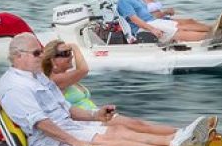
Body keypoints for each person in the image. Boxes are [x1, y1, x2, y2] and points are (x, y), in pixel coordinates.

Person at [0, 32, 213, 146]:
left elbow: (66, 109)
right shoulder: (15, 86)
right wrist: (76, 142)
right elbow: (41, 123)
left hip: (67, 127)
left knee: (118, 129)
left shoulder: (36, 77)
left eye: (41, 51)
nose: (41, 56)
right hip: (49, 140)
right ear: (17, 56)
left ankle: (173, 140)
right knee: (111, 141)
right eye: (36, 53)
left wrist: (95, 115)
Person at [41, 39, 178, 136]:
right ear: (52, 60)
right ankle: (178, 137)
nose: (70, 56)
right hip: (86, 121)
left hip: (94, 115)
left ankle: (179, 134)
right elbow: (83, 69)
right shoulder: (56, 80)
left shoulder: (65, 76)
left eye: (69, 52)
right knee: (136, 125)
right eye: (65, 54)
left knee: (138, 125)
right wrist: (75, 47)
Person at [116, 0, 222, 44]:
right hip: (145, 27)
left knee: (181, 25)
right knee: (179, 31)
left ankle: (216, 29)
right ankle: (213, 37)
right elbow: (135, 19)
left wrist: (162, 17)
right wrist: (152, 29)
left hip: (153, 21)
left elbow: (146, 13)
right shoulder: (123, 0)